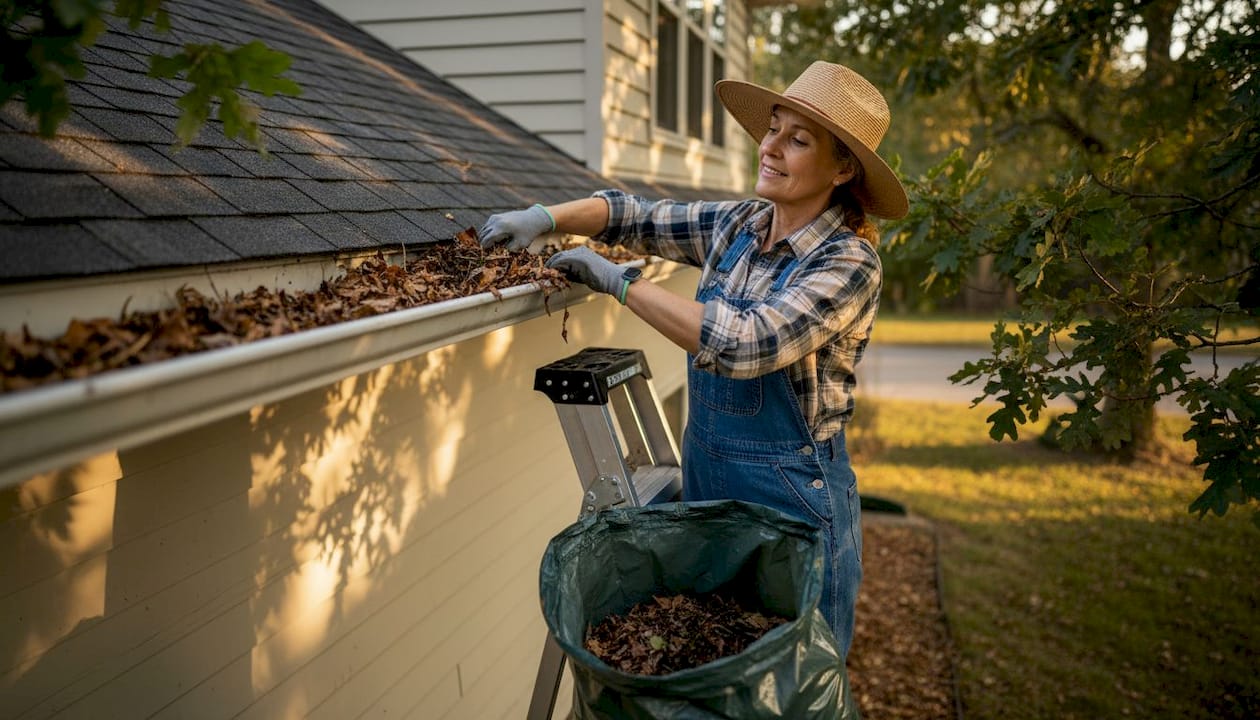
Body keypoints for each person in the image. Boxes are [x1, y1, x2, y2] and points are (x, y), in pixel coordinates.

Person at [478, 61, 908, 660]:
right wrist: (546, 217)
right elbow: (634, 216)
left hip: (792, 503)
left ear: (842, 170)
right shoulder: (738, 225)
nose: (770, 147)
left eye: (798, 140)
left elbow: (745, 343)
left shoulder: (847, 262)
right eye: (773, 129)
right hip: (709, 487)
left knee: (794, 678)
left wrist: (618, 282)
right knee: (714, 666)